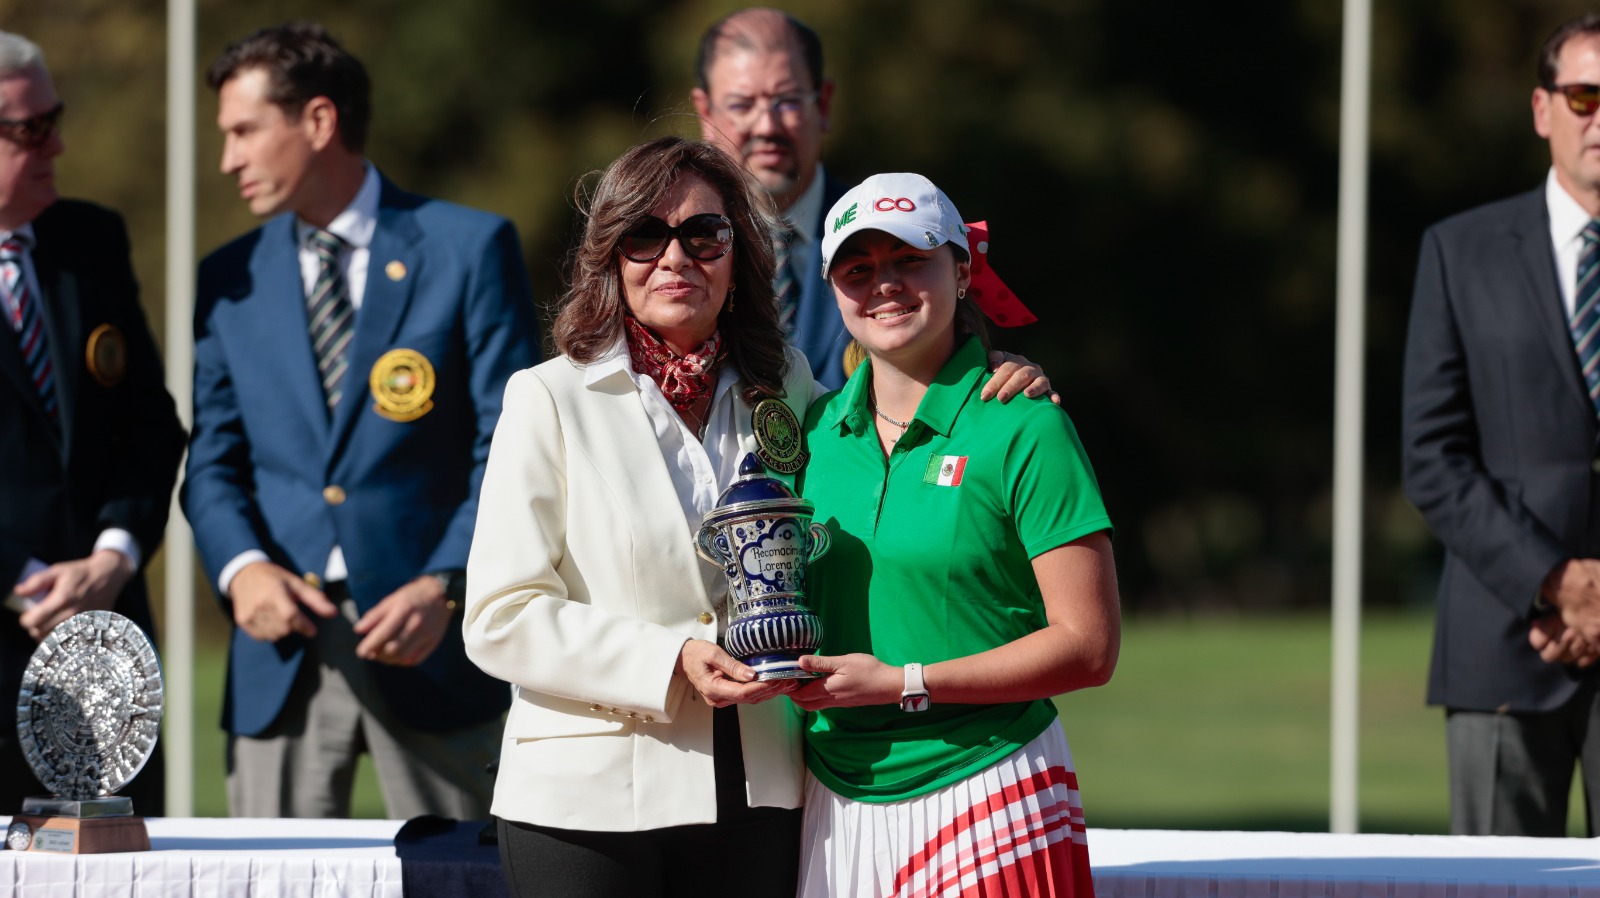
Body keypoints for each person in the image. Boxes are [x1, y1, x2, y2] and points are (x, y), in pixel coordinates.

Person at [462, 137, 1049, 897]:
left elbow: (902, 420)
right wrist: (669, 660)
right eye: (646, 235)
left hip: (762, 789)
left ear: (739, 254)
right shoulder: (546, 397)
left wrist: (996, 372)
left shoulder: (792, 385)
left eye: (704, 234)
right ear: (611, 256)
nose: (676, 258)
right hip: (585, 797)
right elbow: (499, 615)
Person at [182, 22, 540, 820]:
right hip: (281, 656)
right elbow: (212, 461)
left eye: (244, 131)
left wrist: (445, 585)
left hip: (435, 645)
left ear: (317, 120)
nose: (228, 159)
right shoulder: (226, 280)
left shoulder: (469, 248)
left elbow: (514, 448)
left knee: (466, 879)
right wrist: (242, 569)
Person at [790, 173, 1119, 896]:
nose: (886, 285)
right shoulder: (808, 435)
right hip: (834, 799)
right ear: (832, 289)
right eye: (859, 268)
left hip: (989, 787)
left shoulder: (1026, 425)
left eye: (911, 260)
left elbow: (1090, 647)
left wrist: (906, 684)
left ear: (962, 271)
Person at [1402, 13, 1600, 837]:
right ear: (1541, 108)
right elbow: (1433, 458)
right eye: (1585, 95)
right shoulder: (1460, 250)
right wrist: (1560, 583)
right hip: (1502, 644)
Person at [0, 30, 185, 813]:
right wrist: (23, 581)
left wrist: (113, 556)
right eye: (30, 129)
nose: (57, 145)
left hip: (108, 652)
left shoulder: (90, 242)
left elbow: (151, 424)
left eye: (55, 119)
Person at [693, 8, 852, 388]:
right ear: (705, 114)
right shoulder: (673, 251)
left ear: (823, 104)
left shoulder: (895, 237)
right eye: (742, 105)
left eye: (788, 100)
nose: (767, 125)